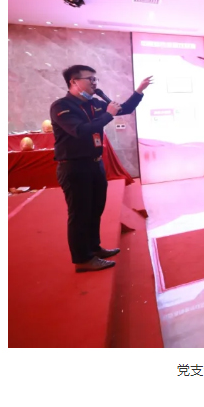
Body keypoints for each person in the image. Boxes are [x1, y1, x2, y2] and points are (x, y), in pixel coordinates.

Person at [50, 65, 152, 272]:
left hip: (95, 163)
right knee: (80, 213)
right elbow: (81, 130)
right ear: (74, 82)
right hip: (74, 167)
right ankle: (82, 259)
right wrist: (108, 115)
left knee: (95, 209)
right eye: (90, 79)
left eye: (95, 79)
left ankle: (94, 248)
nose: (94, 83)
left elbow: (124, 109)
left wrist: (139, 91)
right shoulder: (62, 106)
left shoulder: (94, 103)